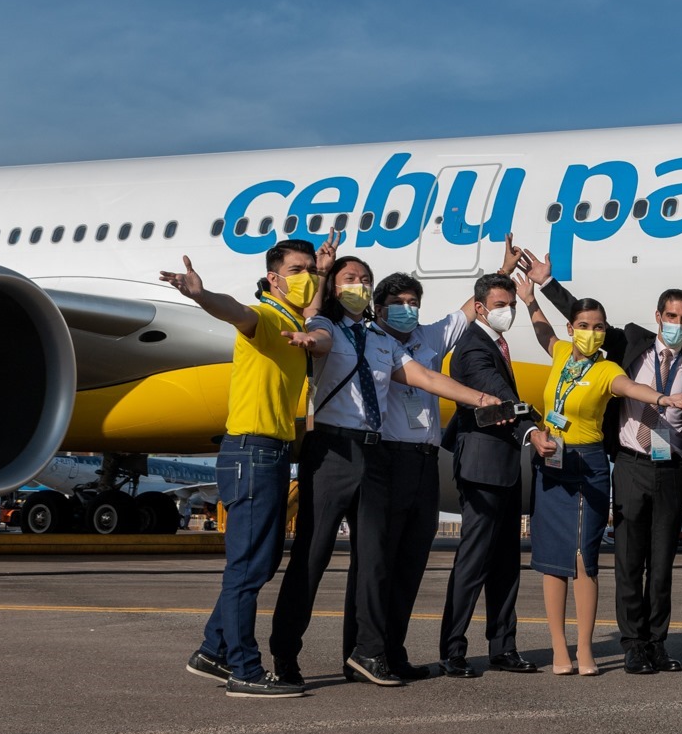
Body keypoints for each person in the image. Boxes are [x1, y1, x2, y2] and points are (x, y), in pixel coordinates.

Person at [270, 244, 499, 687]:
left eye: (363, 279)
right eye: (349, 279)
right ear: (333, 288)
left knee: (374, 562)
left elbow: (425, 377)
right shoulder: (324, 325)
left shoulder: (380, 340)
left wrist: (482, 399)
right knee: (311, 559)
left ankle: (368, 653)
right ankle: (284, 655)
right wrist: (308, 333)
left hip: (372, 455)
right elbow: (316, 339)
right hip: (331, 453)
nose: (358, 285)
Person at [521, 253, 682, 674]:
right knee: (628, 559)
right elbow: (571, 322)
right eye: (672, 315)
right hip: (630, 462)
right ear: (658, 316)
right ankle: (632, 645)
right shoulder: (628, 343)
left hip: (672, 466)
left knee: (662, 565)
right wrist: (541, 290)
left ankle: (656, 643)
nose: (678, 323)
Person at [162, 239, 317, 699]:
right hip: (252, 451)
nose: (305, 275)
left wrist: (323, 270)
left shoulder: (294, 323)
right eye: (296, 269)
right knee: (247, 567)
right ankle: (244, 671)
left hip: (270, 453)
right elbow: (236, 312)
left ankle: (214, 650)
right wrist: (200, 296)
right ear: (274, 278)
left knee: (262, 561)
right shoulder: (266, 317)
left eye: (309, 269)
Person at [356, 269, 476, 682]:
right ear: (379, 307)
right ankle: (366, 651)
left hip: (425, 459)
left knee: (411, 562)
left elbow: (467, 312)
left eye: (414, 303)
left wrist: (504, 267)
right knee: (379, 562)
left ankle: (393, 650)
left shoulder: (429, 337)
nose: (408, 310)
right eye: (399, 303)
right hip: (387, 457)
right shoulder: (371, 339)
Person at [439, 272, 560, 678]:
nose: (506, 311)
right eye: (499, 305)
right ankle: (453, 650)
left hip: (505, 467)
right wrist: (532, 429)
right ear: (479, 308)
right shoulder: (472, 347)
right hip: (482, 466)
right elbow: (500, 398)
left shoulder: (498, 344)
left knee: (507, 562)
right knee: (473, 562)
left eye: (510, 304)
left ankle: (503, 646)